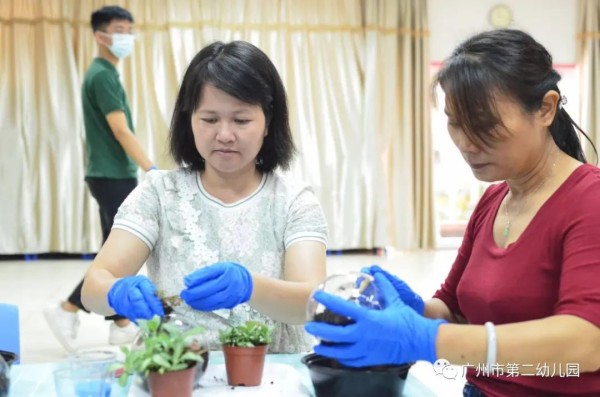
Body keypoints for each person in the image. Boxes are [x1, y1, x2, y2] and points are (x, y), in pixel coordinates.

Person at [305, 29, 600, 396]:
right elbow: (454, 309)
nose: (465, 143)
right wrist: (412, 311)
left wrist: (430, 339)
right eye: (455, 122)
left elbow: (586, 342)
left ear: (545, 108)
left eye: (483, 124)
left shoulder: (590, 199)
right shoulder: (494, 200)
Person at [81, 40, 328, 353]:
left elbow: (312, 303)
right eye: (209, 119)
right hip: (174, 368)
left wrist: (251, 287)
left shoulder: (294, 201)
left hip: (271, 368)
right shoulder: (158, 194)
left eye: (241, 120)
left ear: (268, 123)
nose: (224, 134)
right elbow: (93, 289)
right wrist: (116, 291)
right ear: (189, 120)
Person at [43, 5, 157, 352]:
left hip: (108, 174)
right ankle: (67, 309)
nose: (126, 36)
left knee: (113, 250)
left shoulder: (102, 72)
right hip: (112, 174)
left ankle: (120, 323)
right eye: (119, 29)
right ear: (100, 35)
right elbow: (121, 130)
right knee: (121, 255)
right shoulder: (103, 75)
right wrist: (152, 170)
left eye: (129, 29)